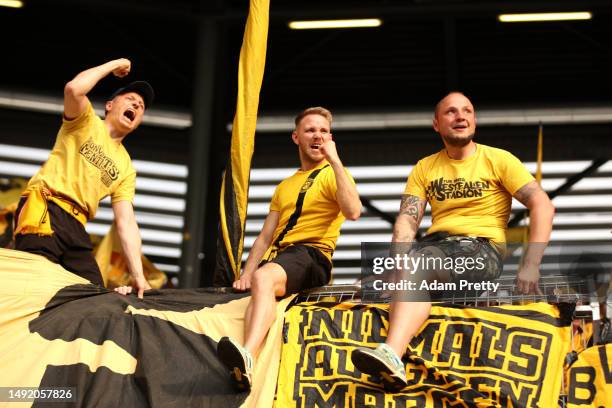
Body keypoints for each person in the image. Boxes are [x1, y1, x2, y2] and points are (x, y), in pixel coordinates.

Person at [351, 91, 555, 391]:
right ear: (436, 124)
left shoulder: (498, 159)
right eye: (451, 112)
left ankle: (393, 353)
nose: (461, 116)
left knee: (417, 263)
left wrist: (530, 265)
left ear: (474, 119)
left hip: (480, 251)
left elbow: (543, 205)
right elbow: (407, 221)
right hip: (436, 250)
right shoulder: (425, 167)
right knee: (367, 287)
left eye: (468, 111)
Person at [216, 106, 362, 390]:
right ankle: (244, 369)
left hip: (311, 256)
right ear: (296, 137)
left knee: (264, 278)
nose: (317, 135)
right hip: (280, 259)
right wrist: (247, 272)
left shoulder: (336, 174)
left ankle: (247, 354)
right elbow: (265, 236)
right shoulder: (284, 185)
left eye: (323, 131)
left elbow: (354, 211)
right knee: (260, 282)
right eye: (310, 130)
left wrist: (335, 160)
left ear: (330, 137)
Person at [14, 58, 153, 298]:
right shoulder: (85, 120)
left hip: (77, 226)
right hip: (46, 208)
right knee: (33, 284)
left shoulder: (126, 166)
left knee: (93, 296)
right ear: (109, 105)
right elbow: (74, 89)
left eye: (141, 106)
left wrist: (139, 277)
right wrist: (115, 65)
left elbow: (126, 221)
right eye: (130, 99)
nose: (137, 104)